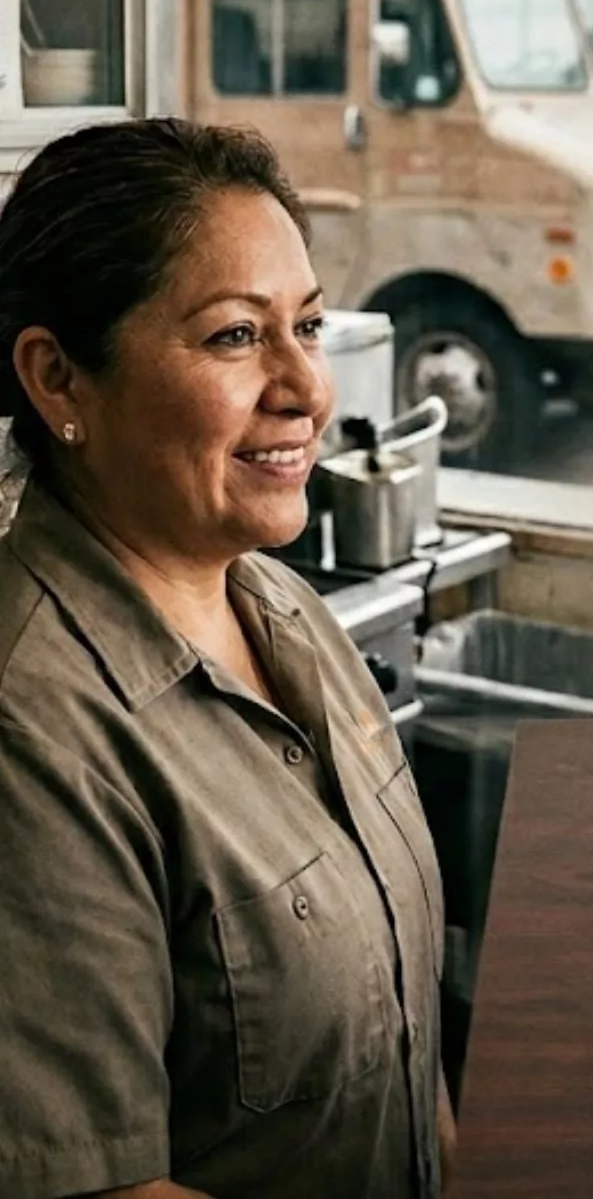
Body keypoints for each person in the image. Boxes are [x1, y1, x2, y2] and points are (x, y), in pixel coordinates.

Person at [0, 120, 451, 1197]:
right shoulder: (32, 732)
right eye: (235, 338)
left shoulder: (284, 605)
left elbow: (403, 1028)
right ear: (59, 379)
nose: (307, 387)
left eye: (308, 324)